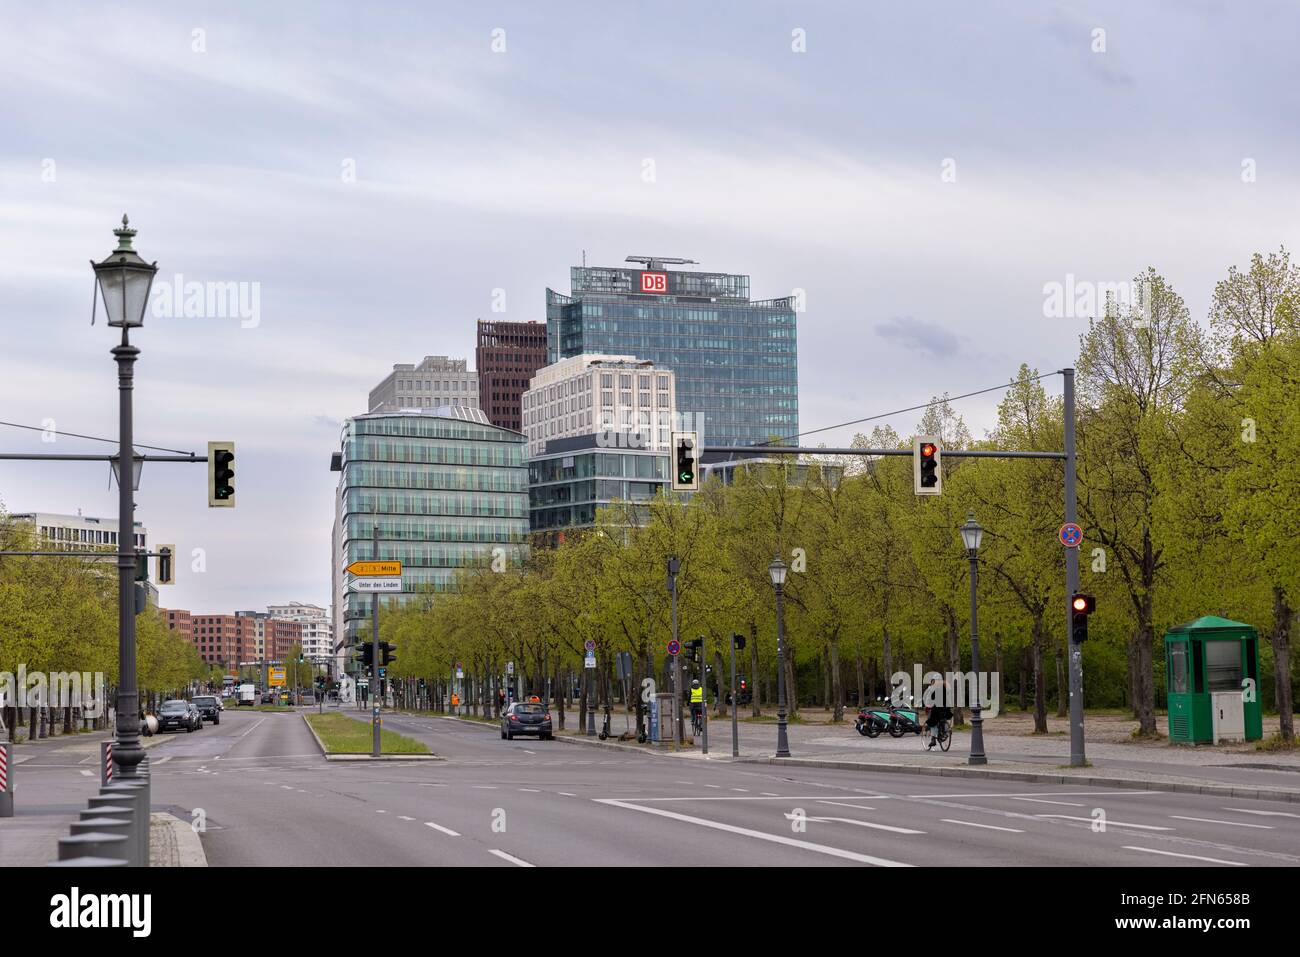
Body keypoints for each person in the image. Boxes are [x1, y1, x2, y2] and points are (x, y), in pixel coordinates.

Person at [924, 676, 953, 749]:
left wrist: (927, 705)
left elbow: (929, 698)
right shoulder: (946, 687)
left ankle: (933, 739)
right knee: (944, 718)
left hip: (937, 708)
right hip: (946, 708)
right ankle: (946, 731)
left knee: (932, 722)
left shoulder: (931, 688)